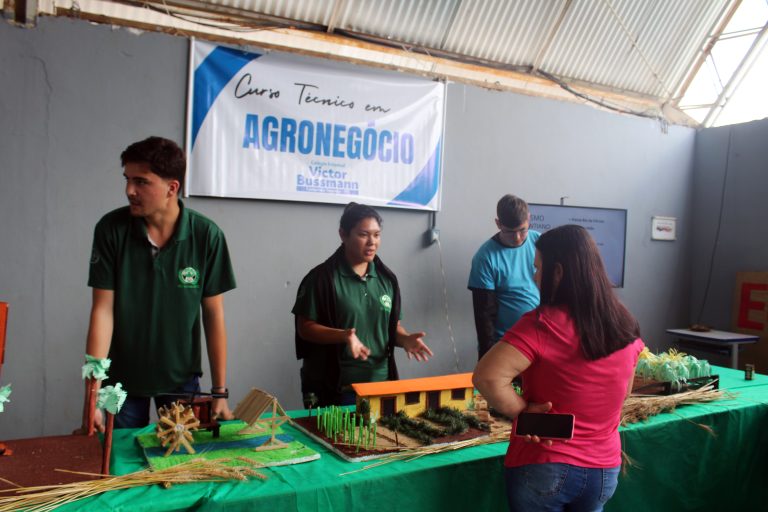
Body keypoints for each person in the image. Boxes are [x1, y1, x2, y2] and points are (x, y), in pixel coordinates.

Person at [472, 225, 644, 512]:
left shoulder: (543, 323)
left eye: (539, 268)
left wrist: (523, 412)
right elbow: (624, 393)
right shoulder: (625, 323)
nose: (534, 277)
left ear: (559, 272)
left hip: (547, 465)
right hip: (604, 471)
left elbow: (487, 377)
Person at [81, 136, 236, 430]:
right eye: (127, 180)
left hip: (181, 380)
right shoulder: (111, 230)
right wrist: (92, 395)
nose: (129, 190)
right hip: (120, 383)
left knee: (181, 465)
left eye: (141, 182)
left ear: (171, 188)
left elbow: (214, 315)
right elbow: (102, 312)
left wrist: (219, 392)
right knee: (119, 465)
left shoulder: (206, 236)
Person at [292, 202, 433, 407]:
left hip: (381, 385)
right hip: (337, 388)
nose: (372, 242)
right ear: (343, 234)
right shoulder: (321, 279)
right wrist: (344, 335)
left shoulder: (387, 279)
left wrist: (405, 339)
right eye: (363, 234)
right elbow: (305, 329)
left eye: (377, 235)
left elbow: (391, 327)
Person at [468, 194, 540, 359]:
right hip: (506, 345)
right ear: (498, 224)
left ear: (529, 219)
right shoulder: (485, 257)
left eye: (522, 230)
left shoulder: (539, 243)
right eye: (509, 232)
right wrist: (489, 356)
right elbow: (484, 315)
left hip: (540, 339)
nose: (517, 238)